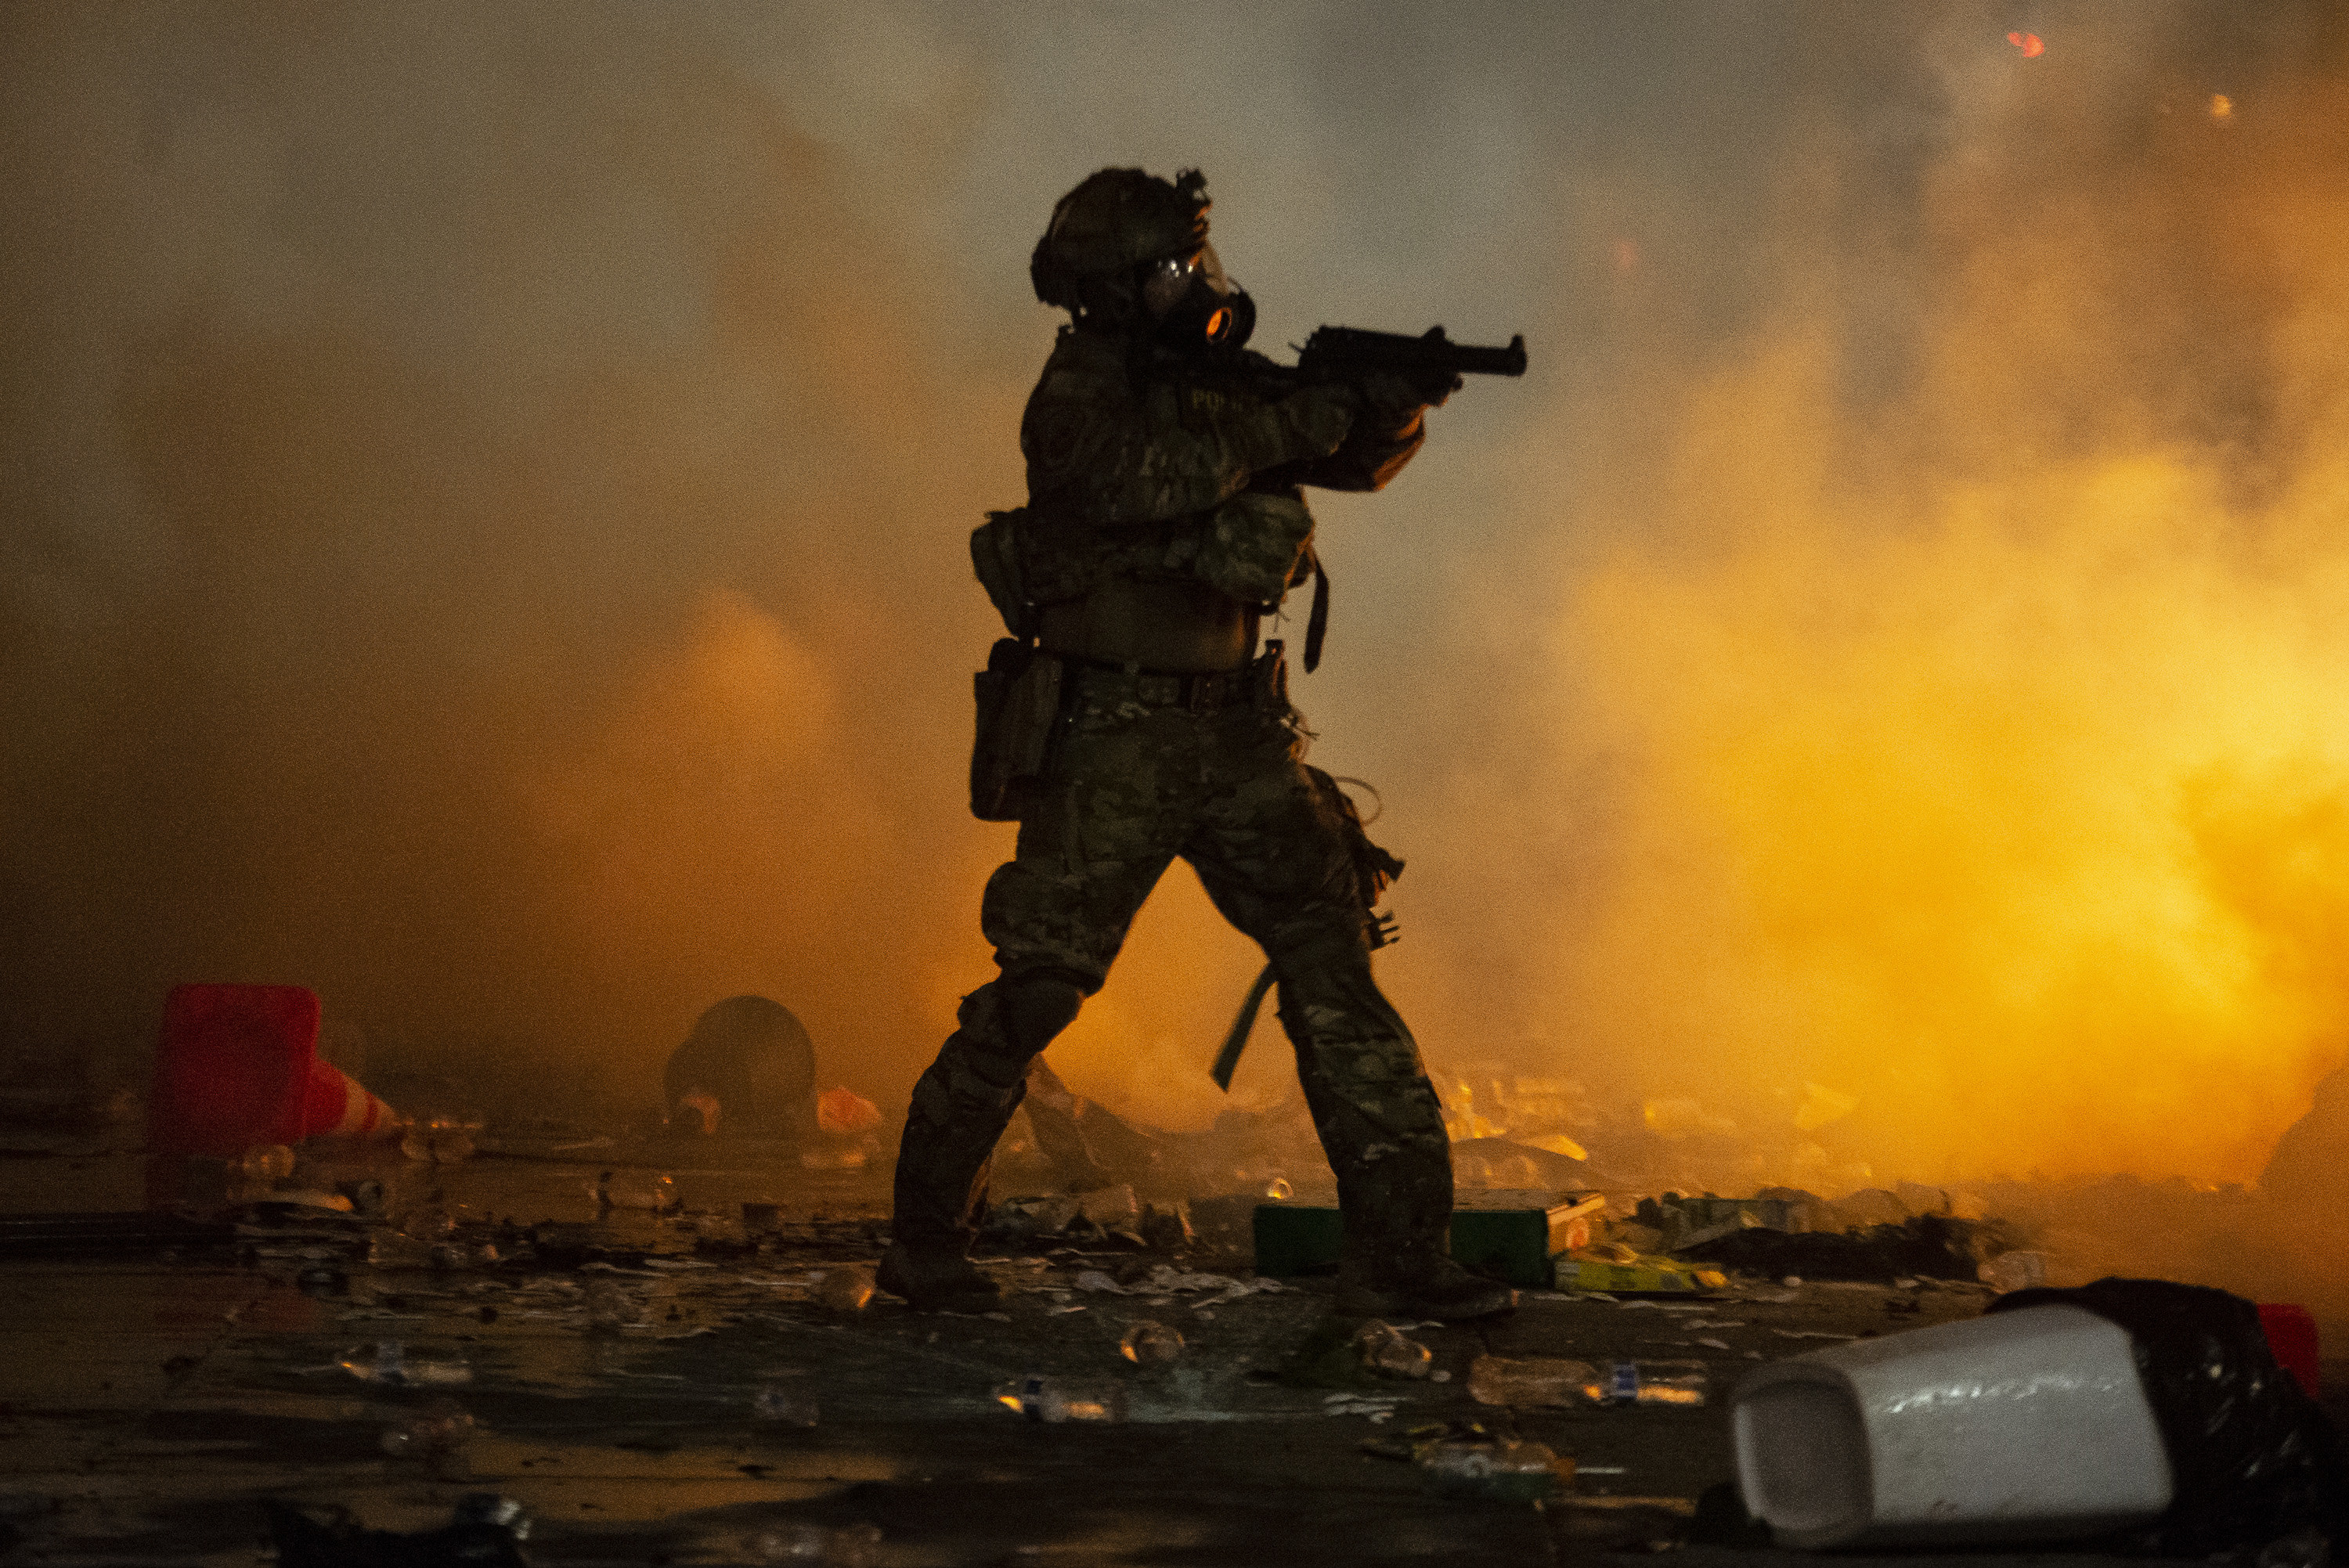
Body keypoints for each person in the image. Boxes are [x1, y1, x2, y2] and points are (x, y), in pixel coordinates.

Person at [879, 168, 1510, 1321]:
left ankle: (1405, 1256)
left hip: (1238, 736)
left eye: (1197, 264)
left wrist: (1394, 403)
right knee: (1037, 991)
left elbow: (1349, 459)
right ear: (1115, 289)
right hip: (1111, 739)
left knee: (1334, 969)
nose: (1200, 286)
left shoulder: (1221, 384)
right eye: (1174, 270)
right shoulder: (1079, 394)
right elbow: (1140, 484)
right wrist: (1302, 417)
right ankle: (924, 1245)